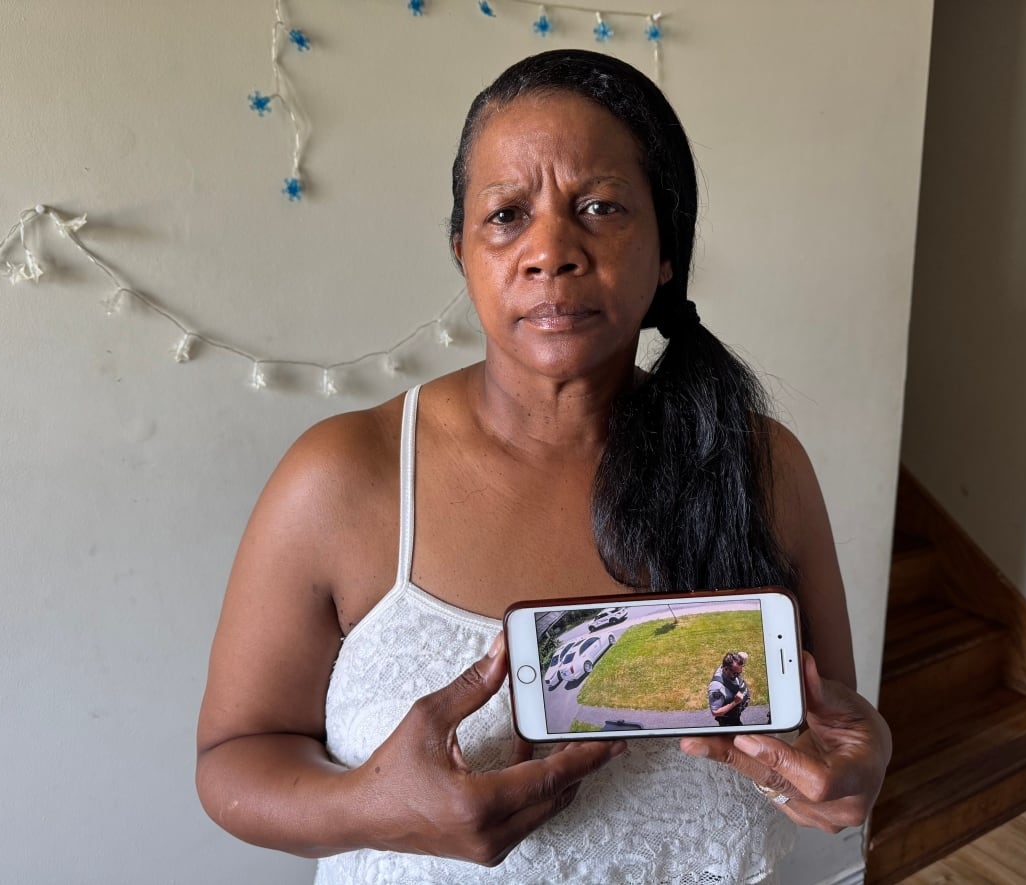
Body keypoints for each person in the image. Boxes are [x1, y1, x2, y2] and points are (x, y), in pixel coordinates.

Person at [196, 49, 891, 883]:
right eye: (506, 215)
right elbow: (233, 757)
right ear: (462, 249)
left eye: (600, 206)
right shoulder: (343, 477)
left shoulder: (759, 467)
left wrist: (861, 763)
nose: (550, 250)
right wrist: (372, 811)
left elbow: (829, 719)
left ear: (668, 249)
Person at [709, 651, 752, 726]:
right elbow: (715, 712)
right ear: (726, 669)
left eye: (739, 672)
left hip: (736, 715)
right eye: (735, 673)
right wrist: (735, 702)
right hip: (728, 722)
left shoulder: (729, 666)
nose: (738, 675)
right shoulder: (716, 688)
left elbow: (735, 660)